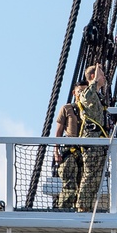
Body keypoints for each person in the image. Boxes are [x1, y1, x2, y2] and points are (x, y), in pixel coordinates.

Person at [76, 63, 109, 212]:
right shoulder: (87, 93)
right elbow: (86, 96)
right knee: (89, 174)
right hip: (91, 141)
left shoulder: (99, 96)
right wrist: (95, 81)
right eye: (101, 74)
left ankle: (89, 205)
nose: (104, 77)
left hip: (99, 141)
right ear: (92, 76)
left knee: (97, 177)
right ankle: (82, 205)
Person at [53, 79, 88, 209]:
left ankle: (81, 211)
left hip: (86, 152)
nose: (82, 94)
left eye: (85, 92)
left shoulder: (91, 110)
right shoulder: (67, 108)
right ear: (74, 93)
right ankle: (63, 210)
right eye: (80, 92)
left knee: (84, 186)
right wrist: (56, 151)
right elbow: (58, 132)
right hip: (70, 151)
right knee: (69, 184)